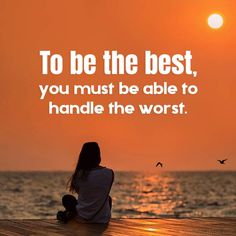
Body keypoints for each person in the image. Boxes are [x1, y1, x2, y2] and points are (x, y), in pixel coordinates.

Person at [57, 142, 114, 224]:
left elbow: (80, 192)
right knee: (108, 198)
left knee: (67, 198)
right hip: (103, 220)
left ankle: (68, 214)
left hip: (82, 218)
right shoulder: (109, 173)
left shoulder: (80, 173)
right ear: (98, 155)